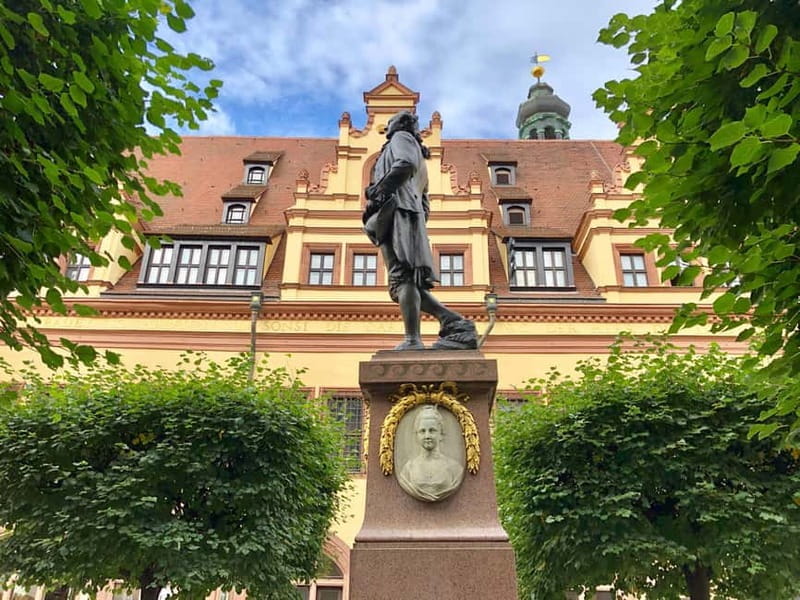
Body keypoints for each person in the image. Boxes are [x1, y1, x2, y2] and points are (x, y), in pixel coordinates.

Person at [363, 111, 477, 351]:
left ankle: (414, 339)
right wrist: (417, 222)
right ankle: (454, 322)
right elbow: (425, 201)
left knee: (402, 277)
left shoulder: (401, 138)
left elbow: (404, 164)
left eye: (390, 122)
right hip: (403, 214)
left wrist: (378, 191)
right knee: (404, 282)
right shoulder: (415, 151)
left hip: (396, 212)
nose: (387, 127)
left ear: (399, 125)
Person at [397, 405, 464, 502]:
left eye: (432, 430)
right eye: (422, 431)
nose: (427, 436)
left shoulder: (454, 469)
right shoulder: (408, 470)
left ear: (441, 434)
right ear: (417, 435)